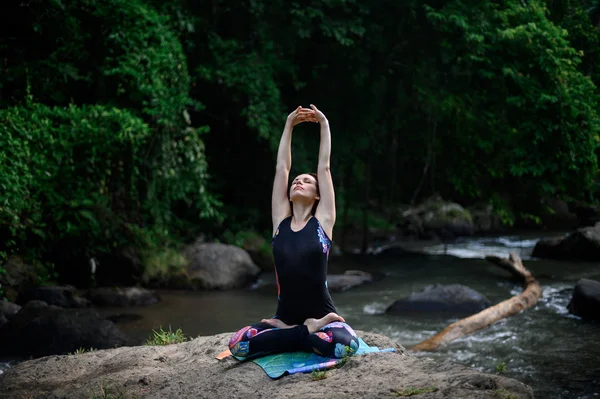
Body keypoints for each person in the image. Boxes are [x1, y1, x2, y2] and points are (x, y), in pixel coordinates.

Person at [228, 104, 360, 359]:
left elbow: (325, 168)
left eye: (307, 181)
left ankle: (289, 335)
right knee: (237, 345)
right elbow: (282, 169)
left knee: (346, 345)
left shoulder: (323, 222)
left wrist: (324, 124)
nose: (298, 181)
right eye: (296, 181)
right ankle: (303, 332)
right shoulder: (280, 223)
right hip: (284, 318)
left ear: (318, 194)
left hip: (324, 317)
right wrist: (289, 125)